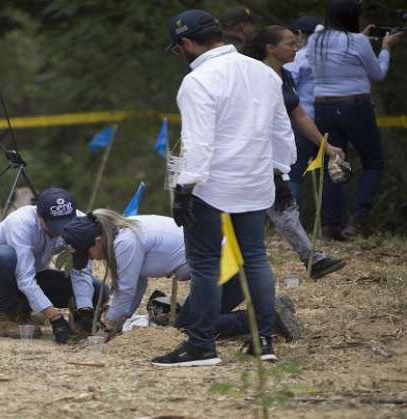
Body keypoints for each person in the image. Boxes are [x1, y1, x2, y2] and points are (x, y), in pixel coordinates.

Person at [155, 9, 295, 367]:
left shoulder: (198, 81)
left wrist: (185, 186)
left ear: (186, 43)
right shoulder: (264, 72)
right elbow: (281, 129)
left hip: (211, 185)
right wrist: (281, 173)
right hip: (255, 180)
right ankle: (263, 340)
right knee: (255, 258)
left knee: (205, 266)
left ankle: (201, 345)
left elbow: (198, 142)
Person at [62, 210, 301, 346]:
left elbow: (125, 290)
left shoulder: (125, 242)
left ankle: (262, 317)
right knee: (189, 318)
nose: (91, 259)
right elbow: (136, 286)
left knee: (189, 327)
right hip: (224, 270)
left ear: (97, 241)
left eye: (88, 254)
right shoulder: (126, 232)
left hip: (230, 271)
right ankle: (269, 309)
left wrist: (107, 328)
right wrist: (119, 322)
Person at [244, 25, 348, 279]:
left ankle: (312, 259)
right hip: (253, 156)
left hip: (275, 155)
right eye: (290, 44)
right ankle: (311, 259)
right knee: (280, 206)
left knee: (282, 207)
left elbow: (299, 115)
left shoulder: (286, 76)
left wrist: (326, 147)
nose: (296, 48)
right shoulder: (252, 77)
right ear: (270, 48)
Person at [307, 0, 402, 240]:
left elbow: (338, 54)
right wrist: (386, 48)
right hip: (354, 106)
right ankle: (359, 219)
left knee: (335, 164)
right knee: (373, 163)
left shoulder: (315, 40)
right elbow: (378, 73)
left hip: (323, 107)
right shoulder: (357, 42)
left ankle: (330, 227)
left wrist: (360, 39)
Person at [0, 188, 107, 343]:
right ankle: (9, 316)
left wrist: (84, 310)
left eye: (66, 225)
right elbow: (25, 278)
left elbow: (81, 270)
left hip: (34, 275)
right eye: (54, 225)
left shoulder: (80, 221)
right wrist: (55, 318)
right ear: (38, 215)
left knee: (98, 289)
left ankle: (36, 309)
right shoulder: (21, 222)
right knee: (5, 255)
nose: (60, 231)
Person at [285, 16, 323, 200]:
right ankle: (332, 225)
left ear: (299, 34)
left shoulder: (298, 58)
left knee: (294, 173)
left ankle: (287, 225)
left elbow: (288, 88)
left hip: (303, 123)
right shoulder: (331, 56)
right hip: (331, 119)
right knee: (333, 175)